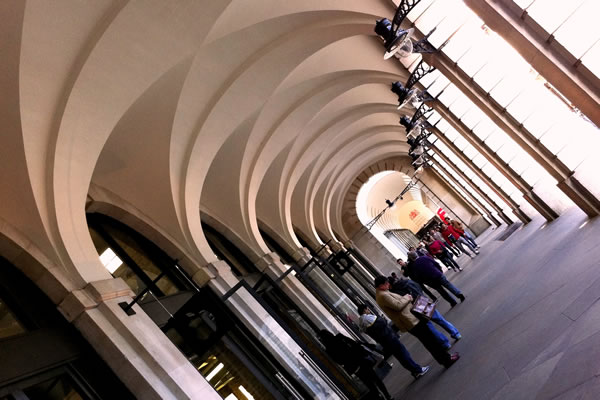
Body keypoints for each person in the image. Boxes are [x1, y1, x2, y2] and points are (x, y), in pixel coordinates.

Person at [374, 276, 460, 369]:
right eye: (386, 283)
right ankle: (446, 359)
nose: (388, 285)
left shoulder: (383, 293)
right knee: (431, 341)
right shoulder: (383, 295)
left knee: (431, 340)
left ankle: (446, 358)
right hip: (411, 320)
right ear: (381, 285)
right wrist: (407, 297)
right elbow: (397, 305)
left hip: (412, 317)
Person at [357, 305, 430, 379]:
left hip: (384, 342)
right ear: (364, 310)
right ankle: (418, 370)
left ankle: (414, 371)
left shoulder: (361, 323)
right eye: (367, 309)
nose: (369, 311)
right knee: (403, 354)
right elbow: (382, 322)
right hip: (389, 338)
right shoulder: (368, 318)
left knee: (400, 357)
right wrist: (382, 319)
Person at [388, 277, 462, 348]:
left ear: (390, 285)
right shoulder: (407, 281)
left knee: (430, 327)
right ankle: (456, 334)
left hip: (413, 308)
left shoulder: (395, 292)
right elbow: (419, 287)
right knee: (440, 319)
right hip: (423, 301)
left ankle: (445, 343)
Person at [318, 330, 392, 400]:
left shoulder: (329, 350)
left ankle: (380, 397)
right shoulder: (340, 337)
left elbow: (339, 361)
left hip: (354, 367)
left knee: (369, 384)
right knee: (376, 379)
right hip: (360, 361)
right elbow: (354, 344)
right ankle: (387, 396)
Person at [400, 252, 466, 307]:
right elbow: (436, 263)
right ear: (416, 254)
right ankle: (459, 294)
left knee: (442, 291)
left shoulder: (414, 266)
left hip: (430, 280)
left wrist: (424, 281)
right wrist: (439, 271)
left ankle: (452, 301)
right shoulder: (424, 257)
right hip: (437, 274)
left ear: (411, 258)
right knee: (448, 285)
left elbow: (418, 276)